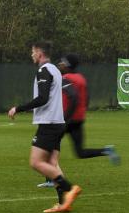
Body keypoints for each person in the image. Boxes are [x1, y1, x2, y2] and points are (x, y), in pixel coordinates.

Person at [8, 42, 81, 213]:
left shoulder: (44, 70)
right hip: (57, 123)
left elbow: (43, 98)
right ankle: (63, 203)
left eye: (33, 52)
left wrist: (18, 108)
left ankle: (69, 188)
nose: (31, 55)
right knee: (52, 163)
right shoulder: (55, 70)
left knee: (36, 162)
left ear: (40, 53)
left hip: (49, 124)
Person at [36, 54, 119, 188]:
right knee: (80, 152)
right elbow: (87, 98)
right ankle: (106, 151)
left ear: (68, 65)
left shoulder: (65, 78)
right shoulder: (81, 78)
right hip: (78, 119)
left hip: (65, 119)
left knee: (47, 147)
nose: (60, 64)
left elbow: (67, 98)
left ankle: (52, 179)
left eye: (63, 63)